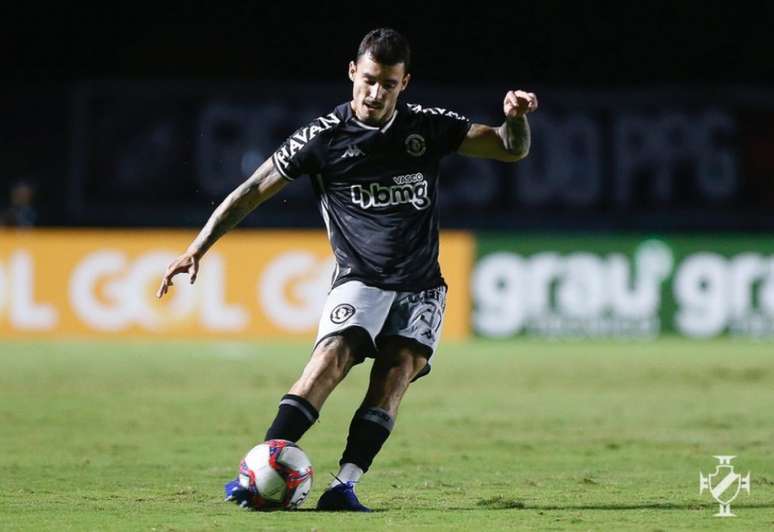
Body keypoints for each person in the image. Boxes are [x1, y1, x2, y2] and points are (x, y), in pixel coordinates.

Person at [157, 27, 537, 511]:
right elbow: (253, 189)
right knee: (331, 357)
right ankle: (263, 465)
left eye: (389, 84)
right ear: (353, 72)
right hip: (361, 279)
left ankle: (345, 486)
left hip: (422, 287)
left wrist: (516, 118)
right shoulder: (324, 138)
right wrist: (198, 248)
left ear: (405, 84)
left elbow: (509, 147)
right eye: (370, 80)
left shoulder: (428, 127)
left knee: (395, 374)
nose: (377, 93)